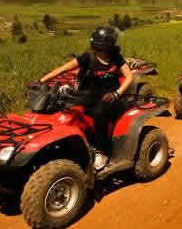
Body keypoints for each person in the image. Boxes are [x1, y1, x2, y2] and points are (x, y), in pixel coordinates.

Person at [39, 26, 133, 170]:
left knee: (99, 112)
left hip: (112, 96)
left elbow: (129, 76)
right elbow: (63, 68)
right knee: (64, 105)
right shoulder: (87, 57)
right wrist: (41, 81)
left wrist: (117, 93)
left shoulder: (116, 57)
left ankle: (103, 151)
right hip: (91, 94)